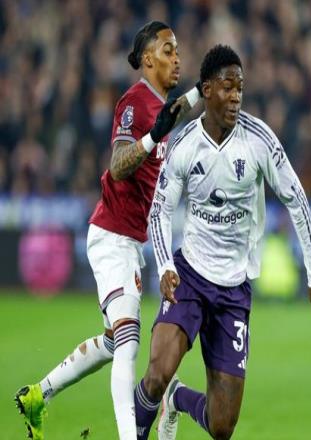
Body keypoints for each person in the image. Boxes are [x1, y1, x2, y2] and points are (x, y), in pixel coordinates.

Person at [133, 44, 311, 440]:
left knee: (222, 426)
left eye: (240, 88)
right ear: (207, 89)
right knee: (156, 375)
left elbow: (296, 199)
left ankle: (177, 400)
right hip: (189, 276)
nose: (235, 96)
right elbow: (159, 211)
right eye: (227, 87)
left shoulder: (259, 140)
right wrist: (166, 265)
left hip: (233, 290)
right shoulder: (184, 144)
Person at [15, 21, 202, 440]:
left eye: (178, 50)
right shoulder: (134, 102)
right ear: (148, 59)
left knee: (115, 341)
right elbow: (118, 165)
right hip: (112, 236)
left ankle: (39, 395)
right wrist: (152, 138)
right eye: (168, 50)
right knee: (130, 340)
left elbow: (175, 114)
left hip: (131, 241)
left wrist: (202, 89)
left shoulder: (161, 105)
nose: (177, 58)